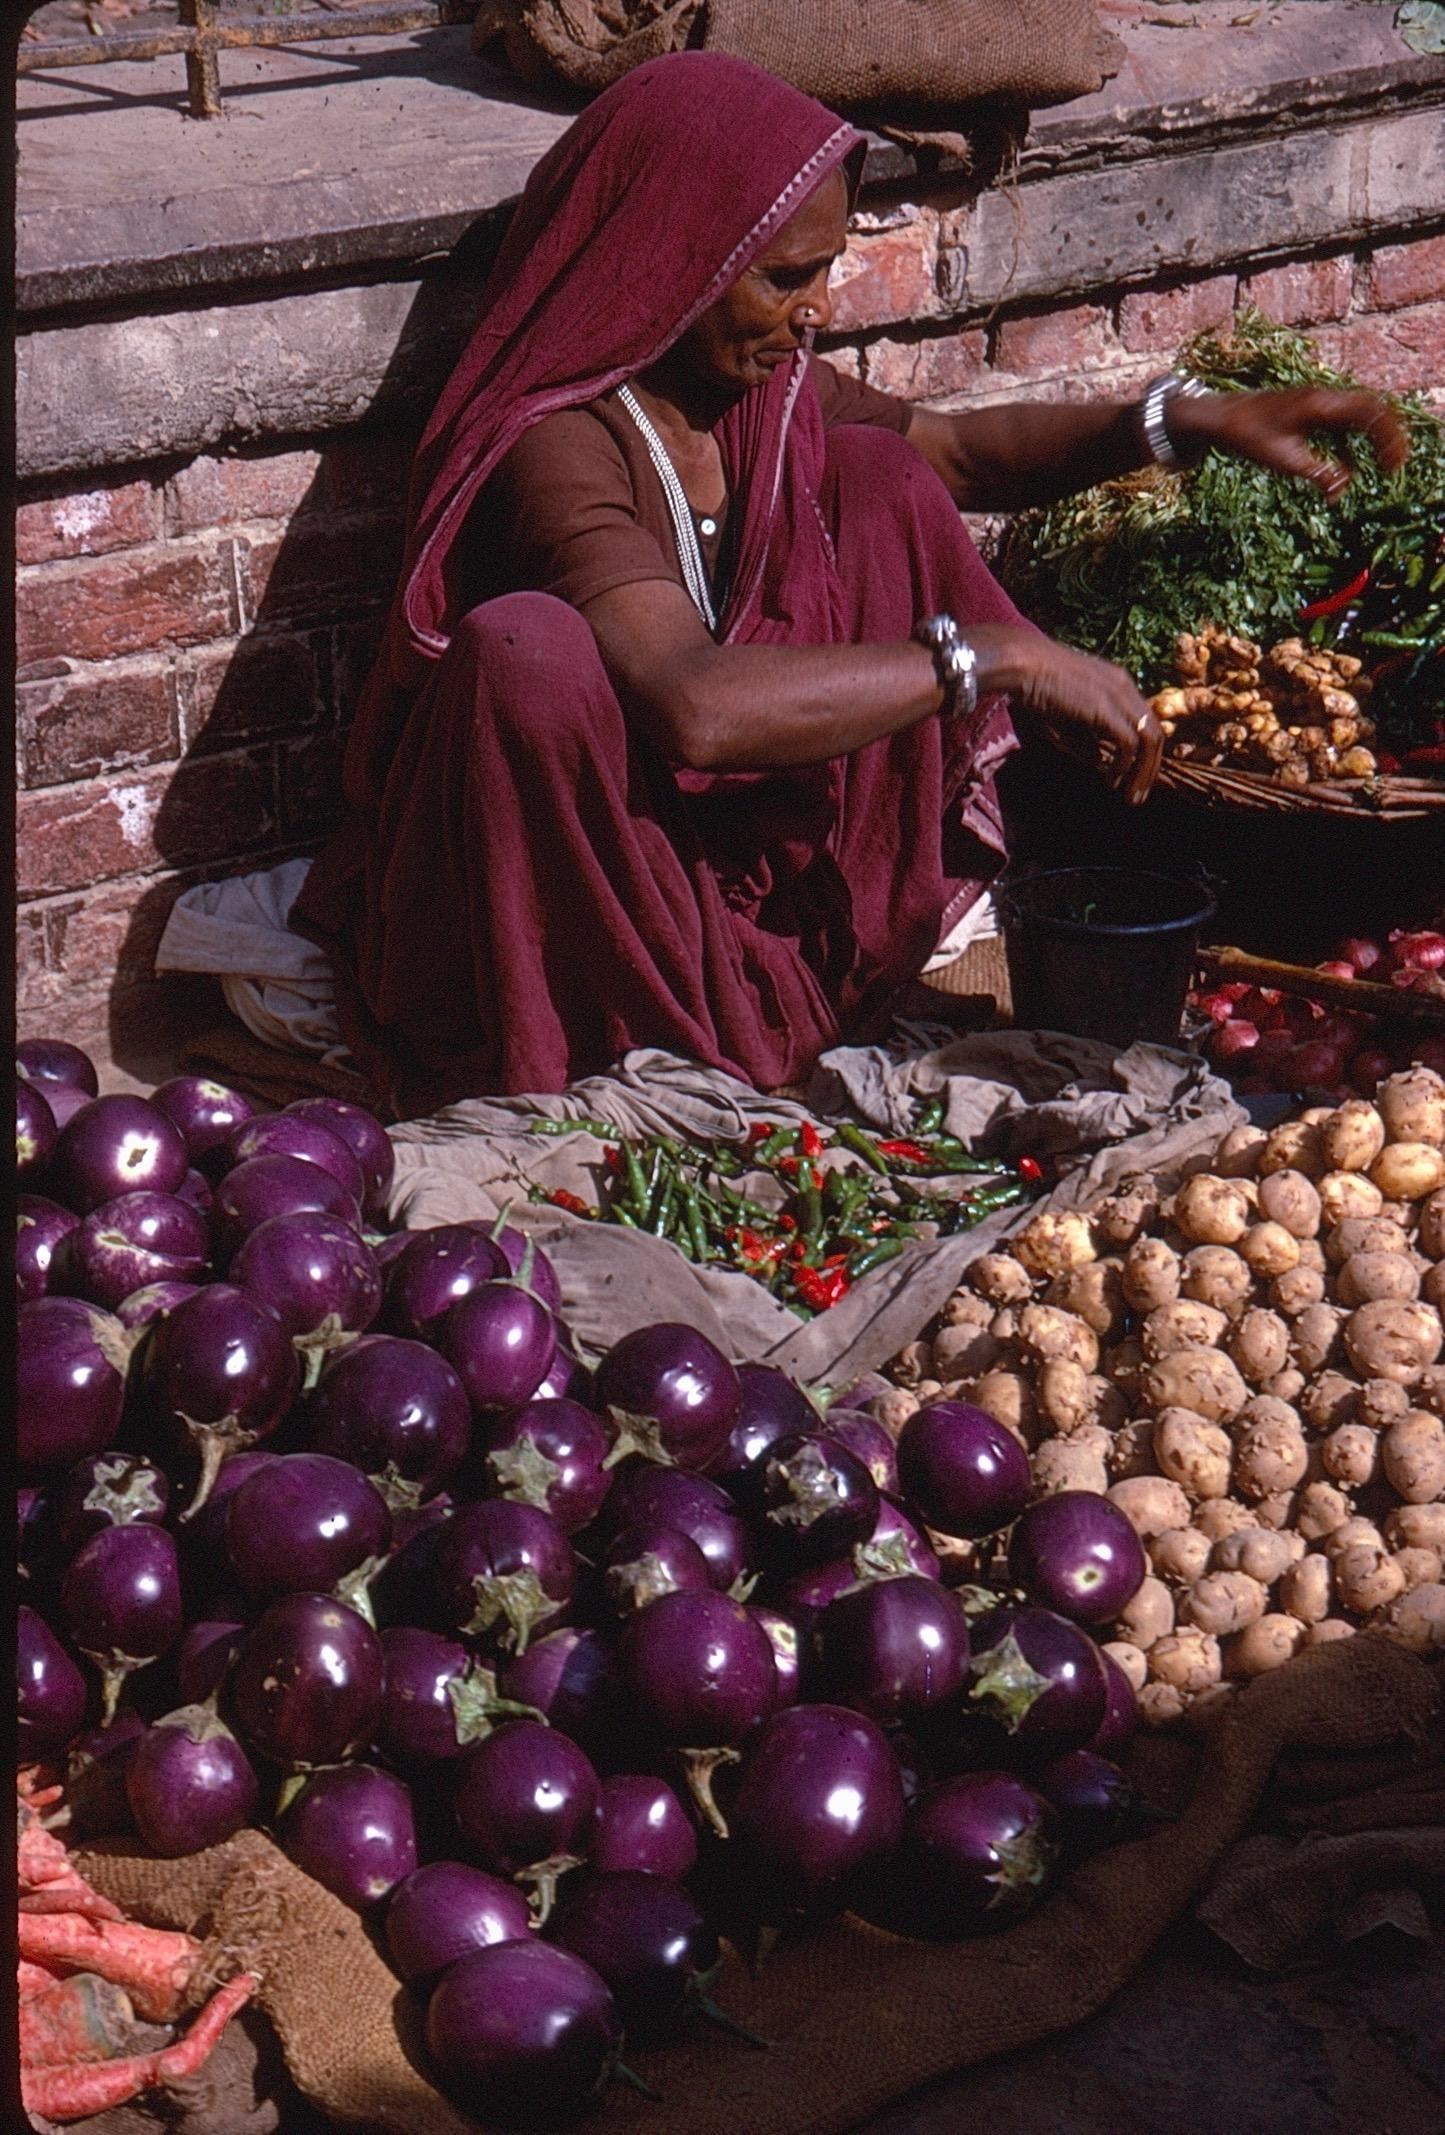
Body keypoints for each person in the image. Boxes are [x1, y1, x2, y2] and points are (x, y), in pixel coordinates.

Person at [291, 52, 1406, 1114]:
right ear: (680, 261)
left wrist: (1180, 418)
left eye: (822, 269)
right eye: (784, 277)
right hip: (591, 897)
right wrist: (986, 656)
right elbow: (694, 707)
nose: (816, 306)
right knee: (526, 653)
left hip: (733, 868)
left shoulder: (754, 394)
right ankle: (604, 1054)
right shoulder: (562, 441)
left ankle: (812, 972)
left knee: (877, 480)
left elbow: (960, 455)